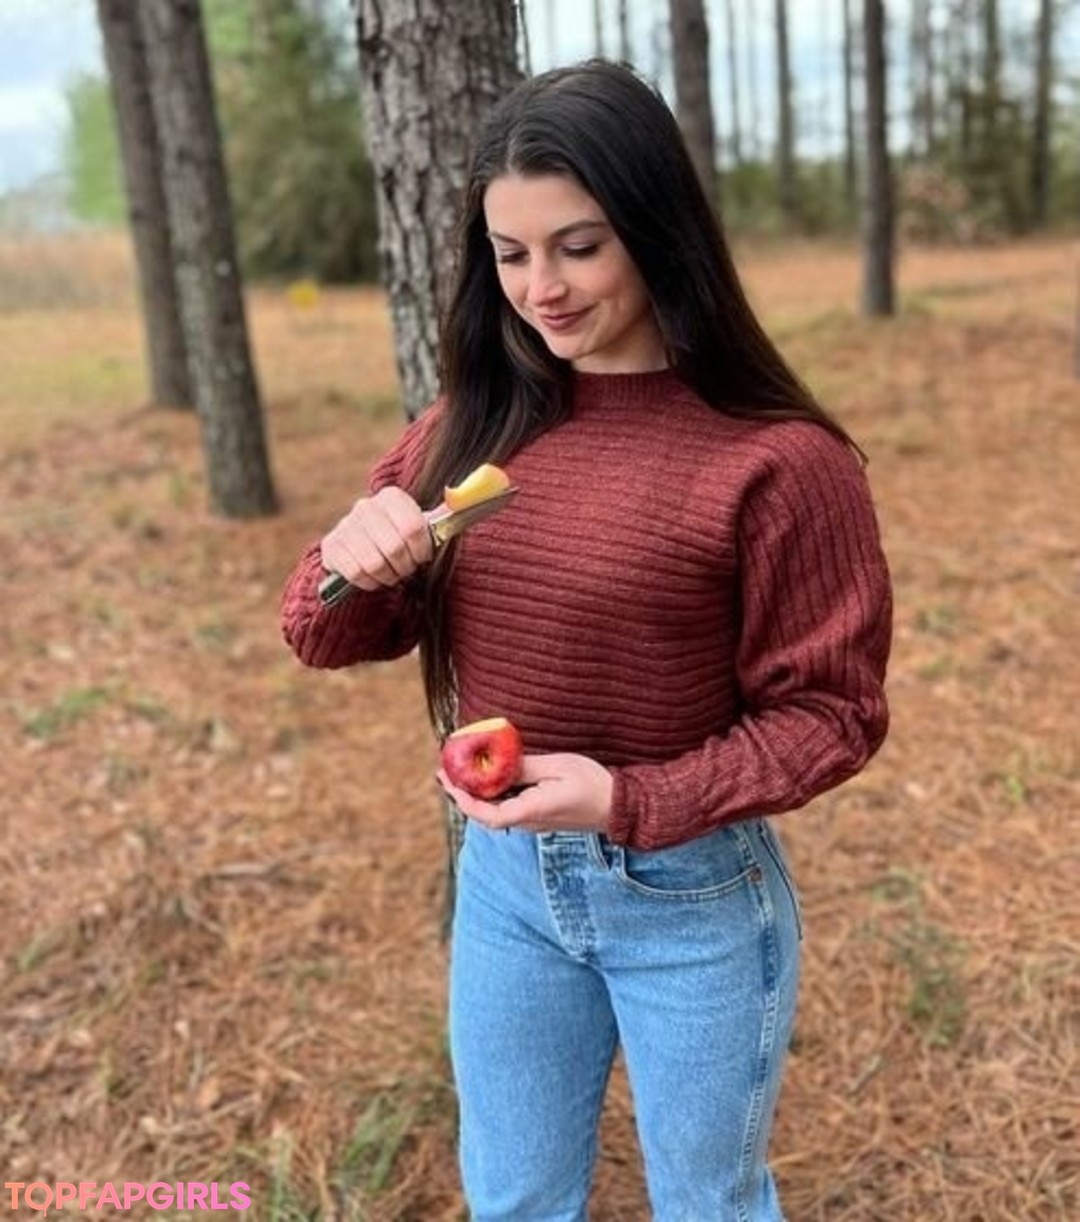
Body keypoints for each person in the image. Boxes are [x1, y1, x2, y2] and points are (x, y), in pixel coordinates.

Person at [280, 58, 892, 1222]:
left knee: (709, 1203)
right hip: (507, 889)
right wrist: (345, 562)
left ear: (658, 232)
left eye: (578, 246)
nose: (541, 290)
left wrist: (629, 799)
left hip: (693, 895)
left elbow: (833, 716)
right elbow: (320, 632)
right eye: (510, 254)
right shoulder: (469, 426)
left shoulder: (777, 463)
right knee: (514, 1198)